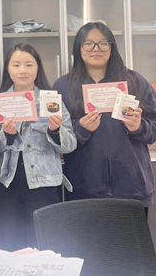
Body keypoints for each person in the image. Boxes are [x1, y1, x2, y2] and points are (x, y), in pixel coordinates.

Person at [54, 22, 156, 211]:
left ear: (112, 47)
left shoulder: (135, 81)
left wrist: (139, 126)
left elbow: (153, 127)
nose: (96, 49)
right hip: (84, 190)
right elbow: (56, 138)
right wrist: (81, 129)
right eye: (88, 43)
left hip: (132, 189)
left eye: (103, 43)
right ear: (79, 48)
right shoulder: (63, 86)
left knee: (130, 233)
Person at [0, 43, 76, 250]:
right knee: (11, 244)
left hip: (44, 183)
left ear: (38, 68)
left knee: (43, 244)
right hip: (6, 181)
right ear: (8, 68)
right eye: (16, 65)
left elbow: (70, 145)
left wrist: (55, 131)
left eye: (29, 64)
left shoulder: (51, 100)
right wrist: (6, 136)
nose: (23, 70)